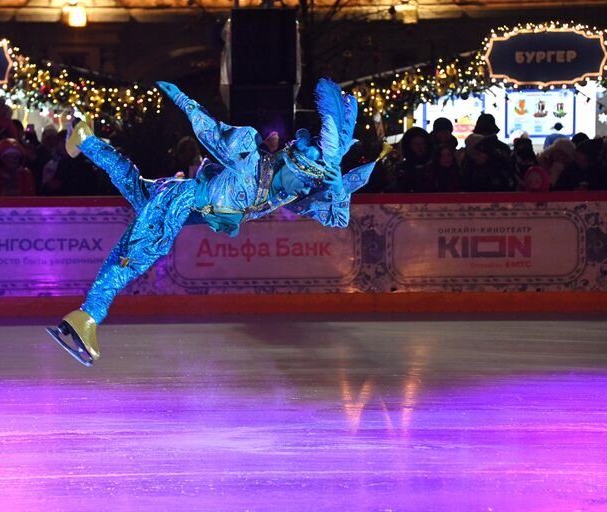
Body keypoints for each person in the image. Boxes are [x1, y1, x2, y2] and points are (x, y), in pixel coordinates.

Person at [46, 79, 378, 366]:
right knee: (139, 253)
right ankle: (88, 316)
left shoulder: (292, 194)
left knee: (135, 189)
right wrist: (182, 100)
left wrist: (336, 188)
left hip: (190, 209)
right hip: (182, 200)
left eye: (310, 184)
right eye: (305, 179)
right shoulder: (249, 152)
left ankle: (86, 140)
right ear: (292, 165)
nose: (306, 187)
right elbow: (211, 130)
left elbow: (337, 218)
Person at [394, 127, 433, 193]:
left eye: (422, 143)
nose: (419, 147)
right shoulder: (401, 168)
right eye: (415, 144)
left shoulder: (433, 167)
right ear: (409, 146)